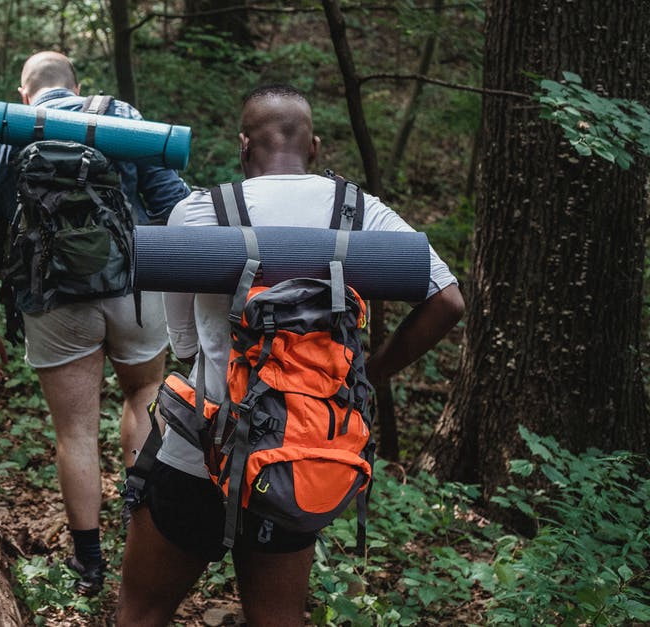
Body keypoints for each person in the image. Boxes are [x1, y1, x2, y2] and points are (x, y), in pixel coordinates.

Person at [117, 84, 465, 625]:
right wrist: (370, 375)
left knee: (142, 611)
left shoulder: (200, 212)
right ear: (316, 148)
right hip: (298, 456)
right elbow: (449, 300)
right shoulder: (360, 211)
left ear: (242, 146)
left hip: (200, 450)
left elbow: (183, 342)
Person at [0, 51, 191, 596]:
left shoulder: (1, 144)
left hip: (51, 299)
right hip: (134, 290)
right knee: (144, 392)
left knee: (75, 430)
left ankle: (88, 566)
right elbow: (174, 205)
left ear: (23, 93)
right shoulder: (120, 120)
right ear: (79, 86)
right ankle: (143, 535)